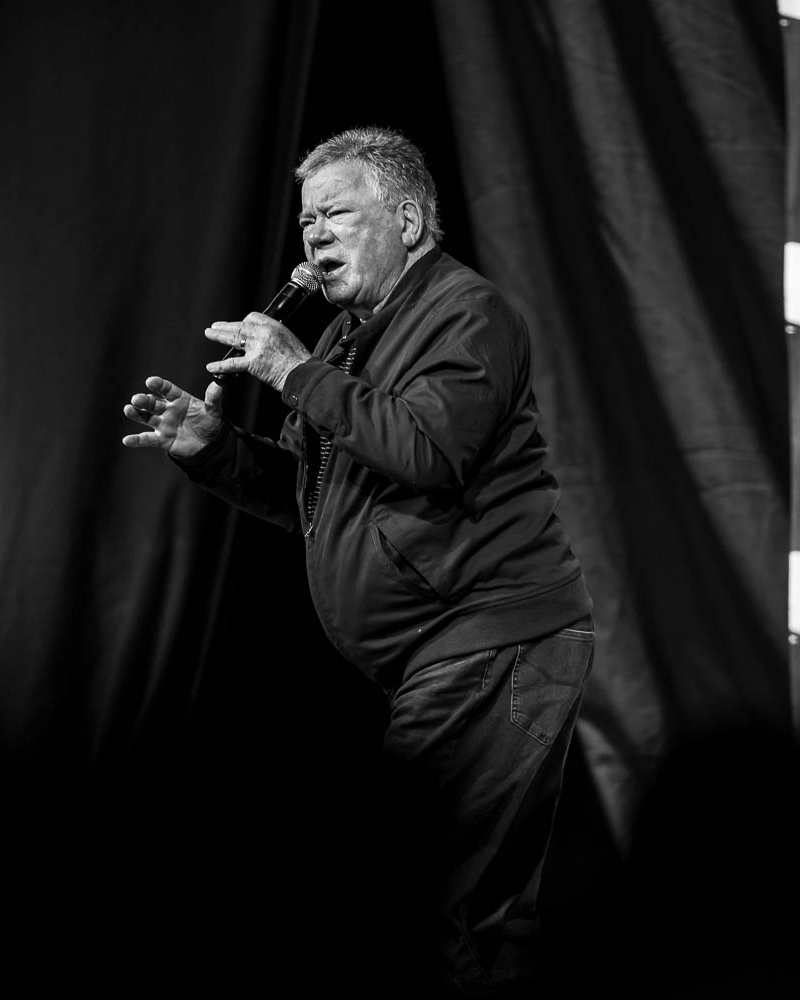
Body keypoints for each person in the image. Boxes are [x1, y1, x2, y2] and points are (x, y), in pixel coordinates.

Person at [122, 126, 594, 995]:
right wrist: (214, 448)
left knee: (411, 899)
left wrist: (295, 372)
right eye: (306, 223)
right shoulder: (348, 340)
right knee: (485, 919)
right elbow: (318, 496)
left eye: (337, 213)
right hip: (452, 655)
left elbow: (424, 449)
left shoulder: (466, 314)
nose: (314, 238)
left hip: (491, 644)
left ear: (409, 221)